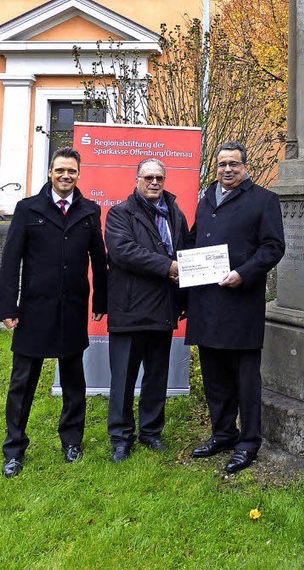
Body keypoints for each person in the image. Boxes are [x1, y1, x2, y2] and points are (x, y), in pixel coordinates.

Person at [0, 147, 107, 478]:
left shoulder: (89, 211)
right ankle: (14, 449)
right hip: (33, 311)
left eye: (71, 171)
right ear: (50, 172)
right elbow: (10, 262)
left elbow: (98, 260)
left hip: (72, 310)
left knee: (75, 382)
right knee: (22, 384)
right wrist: (7, 307)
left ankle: (71, 441)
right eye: (60, 170)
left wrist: (100, 302)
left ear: (78, 174)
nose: (65, 175)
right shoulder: (27, 208)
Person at [186, 141, 285, 474]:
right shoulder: (205, 201)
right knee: (215, 378)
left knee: (245, 380)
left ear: (246, 167)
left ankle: (248, 442)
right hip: (206, 303)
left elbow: (273, 247)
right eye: (222, 164)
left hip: (241, 303)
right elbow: (194, 241)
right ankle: (223, 434)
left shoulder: (264, 201)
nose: (227, 169)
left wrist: (243, 273)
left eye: (234, 164)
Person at [104, 158, 188, 462]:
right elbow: (123, 251)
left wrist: (185, 298)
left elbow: (186, 253)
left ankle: (151, 433)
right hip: (129, 311)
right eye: (149, 177)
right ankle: (121, 438)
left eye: (159, 178)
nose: (154, 182)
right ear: (137, 179)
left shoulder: (175, 214)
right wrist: (168, 266)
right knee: (123, 380)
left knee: (156, 378)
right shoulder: (119, 214)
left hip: (163, 310)